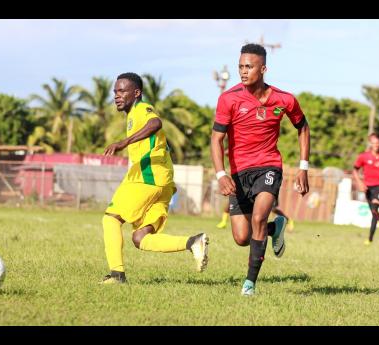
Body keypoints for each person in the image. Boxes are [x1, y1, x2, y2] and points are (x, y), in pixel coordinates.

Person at [211, 44, 310, 296]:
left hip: (269, 166)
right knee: (242, 238)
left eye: (249, 66)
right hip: (238, 173)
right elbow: (216, 139)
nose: (243, 71)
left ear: (263, 68)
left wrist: (303, 167)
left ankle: (249, 284)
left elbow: (303, 126)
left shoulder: (284, 99)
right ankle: (275, 229)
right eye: (241, 66)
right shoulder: (229, 99)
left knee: (257, 218)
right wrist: (221, 175)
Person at [100, 72, 209, 284]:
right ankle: (194, 242)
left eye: (122, 91)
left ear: (136, 92)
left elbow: (156, 123)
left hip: (147, 176)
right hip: (163, 182)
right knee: (141, 238)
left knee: (111, 218)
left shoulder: (142, 108)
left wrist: (123, 142)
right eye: (115, 92)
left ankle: (117, 275)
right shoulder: (132, 115)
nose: (117, 95)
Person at [353, 133, 379, 245]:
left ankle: (370, 239)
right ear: (370, 144)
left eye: (377, 143)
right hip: (368, 188)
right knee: (374, 212)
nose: (376, 145)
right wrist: (359, 183)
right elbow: (355, 170)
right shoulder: (364, 156)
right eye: (373, 143)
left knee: (374, 210)